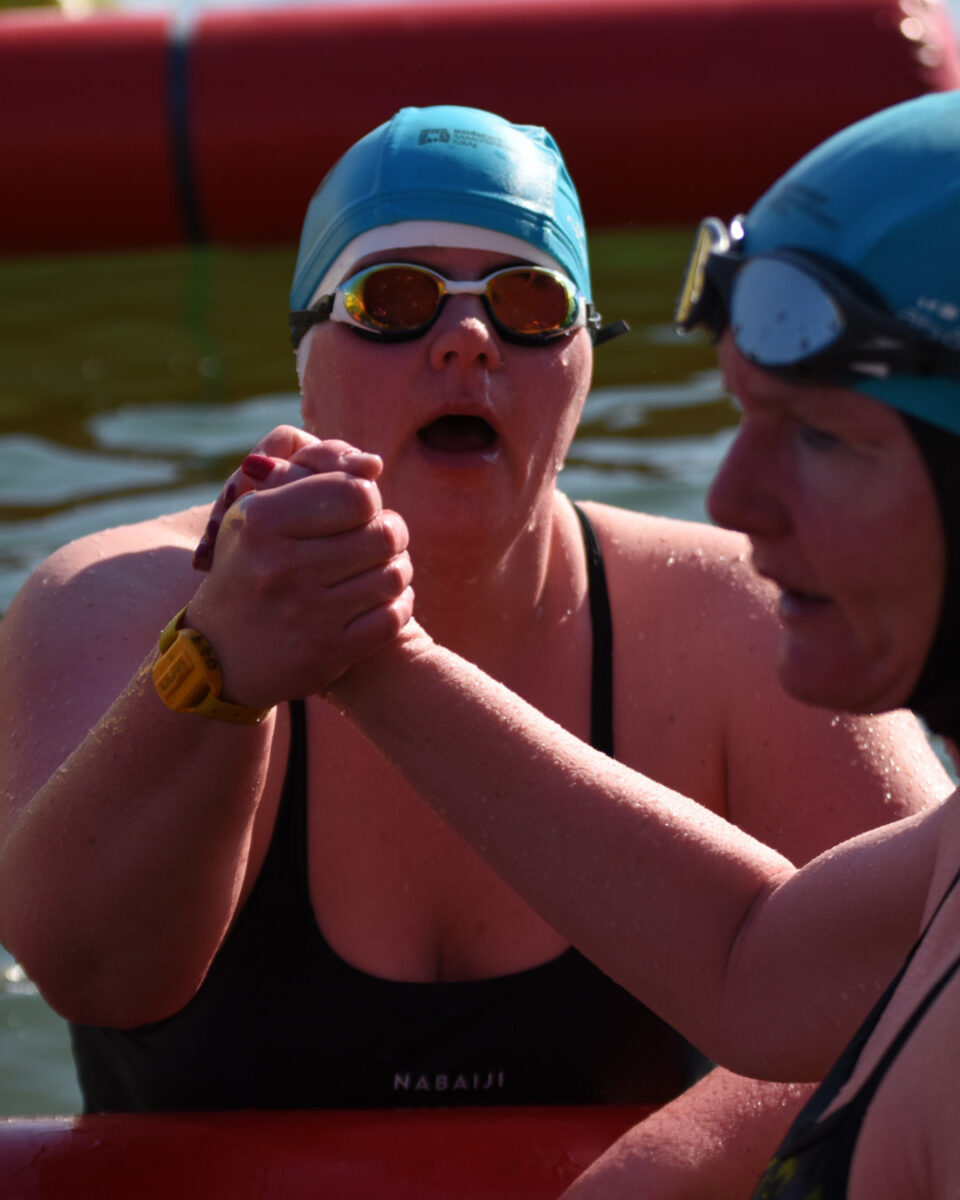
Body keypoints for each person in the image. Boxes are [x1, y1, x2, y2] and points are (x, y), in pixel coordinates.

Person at [0, 104, 949, 1196]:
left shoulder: (745, 615)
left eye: (530, 304)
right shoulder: (119, 602)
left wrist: (655, 1172)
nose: (466, 340)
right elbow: (93, 976)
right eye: (394, 300)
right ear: (306, 355)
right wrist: (209, 671)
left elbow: (895, 990)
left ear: (585, 364)